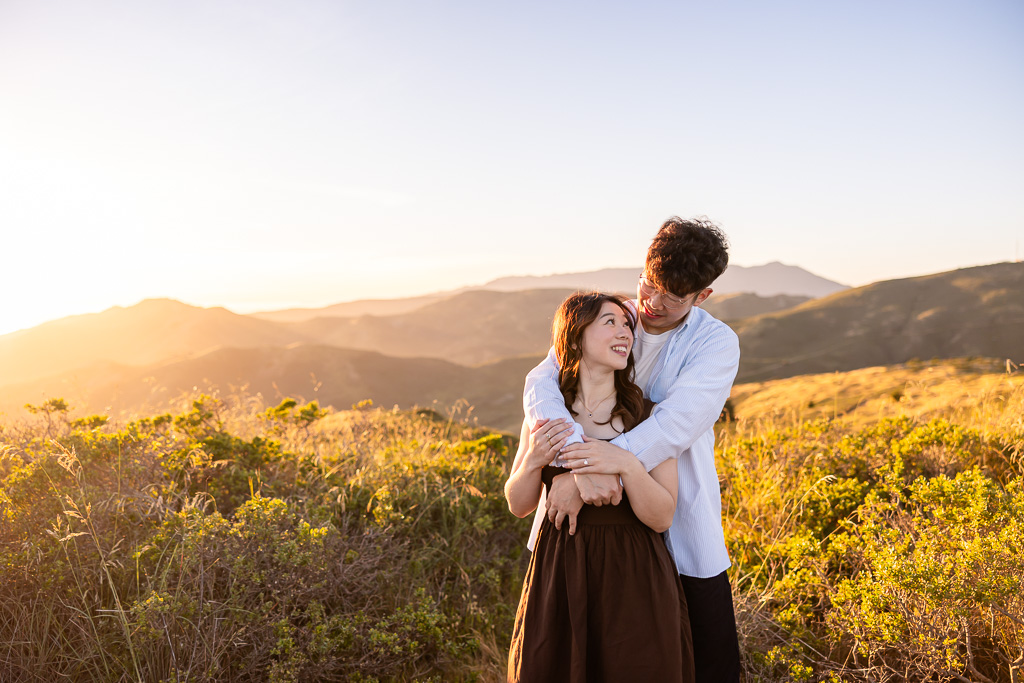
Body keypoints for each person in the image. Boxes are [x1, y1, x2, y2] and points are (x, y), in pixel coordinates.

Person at [523, 216, 742, 682]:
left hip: (676, 518)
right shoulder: (609, 316)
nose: (651, 304)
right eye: (649, 285)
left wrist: (588, 475)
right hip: (588, 536)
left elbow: (675, 425)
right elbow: (542, 384)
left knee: (705, 663)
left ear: (701, 297)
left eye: (672, 297)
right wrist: (574, 467)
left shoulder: (715, 344)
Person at [505, 292, 694, 683]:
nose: (625, 331)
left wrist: (625, 464)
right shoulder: (547, 416)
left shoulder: (646, 416)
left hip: (635, 576)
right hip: (561, 570)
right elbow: (518, 504)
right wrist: (536, 460)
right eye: (610, 322)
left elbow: (662, 516)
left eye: (627, 325)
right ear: (575, 338)